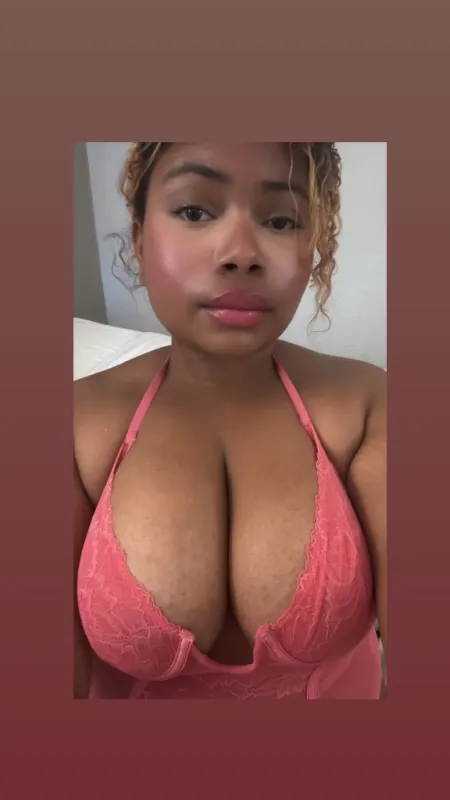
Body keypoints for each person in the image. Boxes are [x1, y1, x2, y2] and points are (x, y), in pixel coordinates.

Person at [74, 142, 386, 699]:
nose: (242, 254)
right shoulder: (73, 424)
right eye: (195, 211)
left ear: (312, 248)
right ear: (140, 236)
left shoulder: (371, 408)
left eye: (280, 220)